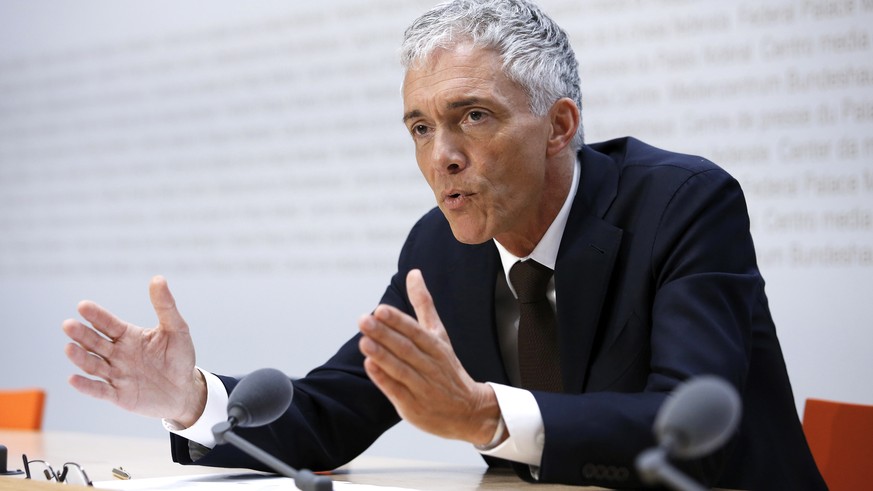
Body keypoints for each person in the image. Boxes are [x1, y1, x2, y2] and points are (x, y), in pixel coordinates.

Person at [62, 0, 826, 488]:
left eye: (473, 117)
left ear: (559, 126)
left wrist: (487, 417)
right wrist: (193, 400)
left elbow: (691, 431)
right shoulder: (439, 243)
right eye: (421, 127)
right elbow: (336, 410)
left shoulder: (682, 203)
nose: (440, 157)